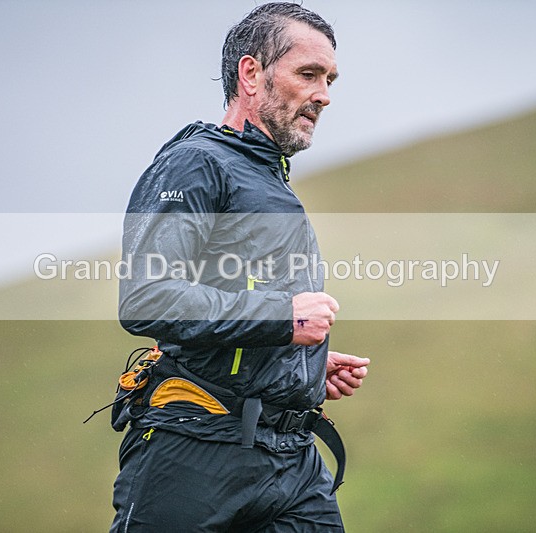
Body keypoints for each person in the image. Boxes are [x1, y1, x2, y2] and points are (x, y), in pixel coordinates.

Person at [111, 3, 370, 531]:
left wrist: (304, 366)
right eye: (308, 74)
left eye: (330, 79)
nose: (324, 94)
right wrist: (284, 320)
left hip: (292, 459)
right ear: (251, 74)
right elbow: (147, 296)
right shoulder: (197, 163)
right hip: (197, 449)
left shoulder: (269, 178)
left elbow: (243, 301)